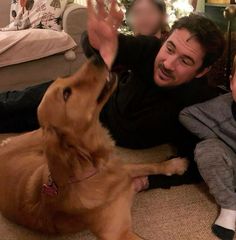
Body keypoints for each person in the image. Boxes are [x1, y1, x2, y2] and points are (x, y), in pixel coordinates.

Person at [0, 0, 225, 189]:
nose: (168, 63)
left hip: (107, 132)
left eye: (185, 61)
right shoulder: (149, 48)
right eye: (170, 48)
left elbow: (198, 163)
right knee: (19, 103)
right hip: (101, 101)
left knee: (30, 119)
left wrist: (149, 180)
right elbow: (107, 46)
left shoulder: (199, 104)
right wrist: (96, 41)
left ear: (202, 71)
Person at [179, 55, 236, 240]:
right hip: (231, 163)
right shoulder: (219, 106)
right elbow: (186, 115)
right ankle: (230, 207)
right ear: (232, 81)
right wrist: (217, 137)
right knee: (207, 149)